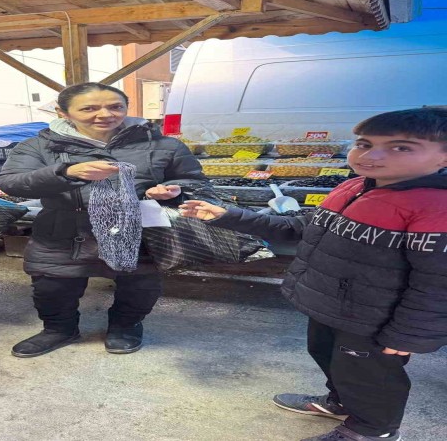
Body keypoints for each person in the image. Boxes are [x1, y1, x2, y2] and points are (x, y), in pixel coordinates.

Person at [180, 108, 447, 441]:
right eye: (364, 144)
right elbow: (299, 227)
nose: (371, 155)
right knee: (328, 356)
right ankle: (342, 401)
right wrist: (228, 215)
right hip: (332, 303)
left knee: (369, 374)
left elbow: (437, 283)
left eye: (401, 147)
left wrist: (410, 334)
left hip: (375, 318)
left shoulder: (436, 207)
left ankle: (373, 430)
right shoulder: (351, 187)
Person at [0, 82, 213, 358]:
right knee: (52, 286)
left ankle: (125, 326)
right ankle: (58, 330)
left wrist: (173, 190)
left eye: (115, 106)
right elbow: (11, 182)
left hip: (138, 230)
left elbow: (194, 181)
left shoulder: (162, 144)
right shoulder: (38, 146)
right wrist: (67, 172)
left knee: (140, 285)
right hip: (63, 231)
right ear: (63, 113)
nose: (105, 114)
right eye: (89, 108)